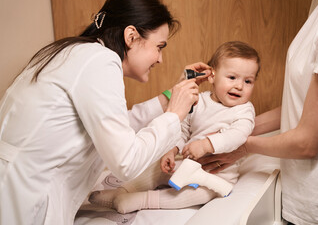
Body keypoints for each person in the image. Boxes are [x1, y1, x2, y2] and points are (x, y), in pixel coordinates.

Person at [0, 0, 211, 225]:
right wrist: (174, 116)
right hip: (28, 201)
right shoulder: (101, 61)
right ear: (131, 36)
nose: (160, 59)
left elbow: (113, 128)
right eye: (159, 47)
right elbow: (126, 163)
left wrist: (173, 95)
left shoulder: (77, 53)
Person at [199, 0, 318, 224]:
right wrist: (237, 130)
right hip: (297, 185)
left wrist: (242, 145)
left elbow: (308, 143)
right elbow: (306, 105)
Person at [88, 41, 261, 214]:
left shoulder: (244, 110)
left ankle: (141, 200)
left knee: (198, 194)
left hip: (214, 174)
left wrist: (206, 145)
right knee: (155, 169)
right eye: (232, 78)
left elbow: (238, 135)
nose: (239, 86)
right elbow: (183, 129)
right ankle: (122, 192)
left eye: (248, 81)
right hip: (185, 165)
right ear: (212, 76)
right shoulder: (199, 99)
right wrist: (172, 150)